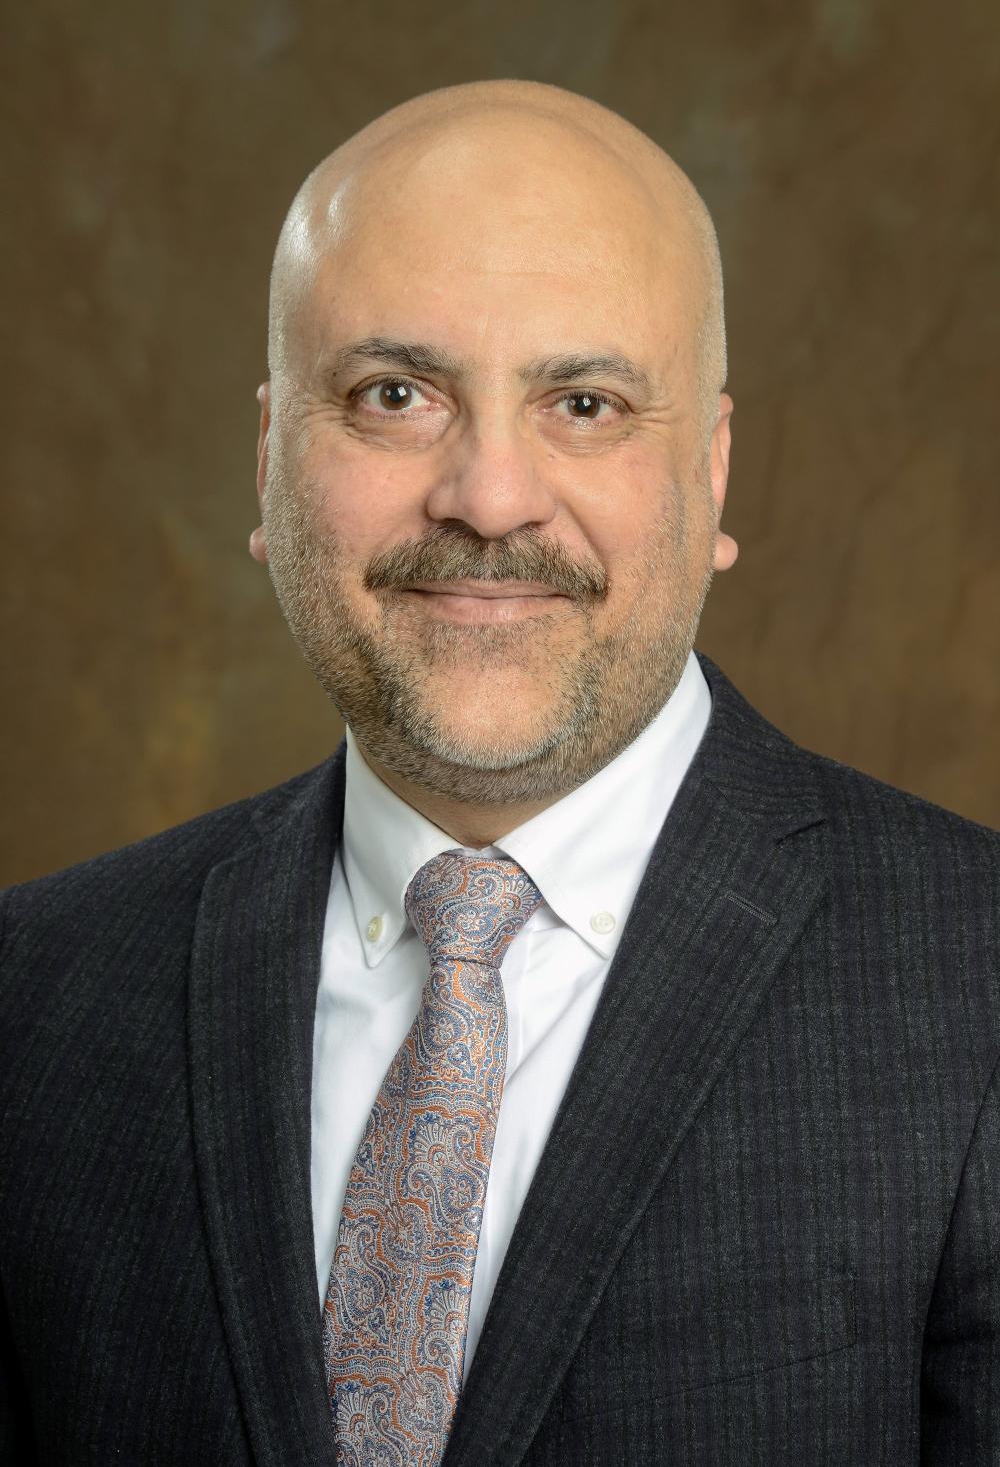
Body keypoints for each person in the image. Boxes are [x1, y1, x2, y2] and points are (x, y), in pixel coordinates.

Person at [1, 79, 998, 1467]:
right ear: (270, 459)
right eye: (393, 395)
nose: (488, 496)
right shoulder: (34, 1000)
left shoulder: (978, 981)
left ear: (711, 470)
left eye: (584, 403)